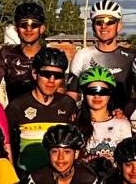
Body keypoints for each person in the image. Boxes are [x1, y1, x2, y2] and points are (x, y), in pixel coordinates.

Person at [5, 47, 80, 176]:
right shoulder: (17, 105)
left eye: (58, 75)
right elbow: (7, 145)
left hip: (58, 179)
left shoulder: (68, 104)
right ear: (35, 74)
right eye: (46, 74)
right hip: (26, 177)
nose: (51, 80)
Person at [68, 0, 135, 108]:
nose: (104, 26)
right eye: (99, 22)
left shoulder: (132, 57)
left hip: (121, 120)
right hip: (89, 120)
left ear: (119, 26)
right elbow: (72, 95)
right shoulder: (82, 55)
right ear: (93, 26)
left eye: (110, 21)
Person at [0, 1, 56, 103]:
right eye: (23, 24)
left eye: (34, 25)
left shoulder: (51, 56)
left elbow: (61, 94)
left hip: (46, 117)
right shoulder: (6, 55)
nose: (28, 29)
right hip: (15, 115)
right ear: (16, 28)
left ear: (42, 28)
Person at [78, 67, 132, 167]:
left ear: (110, 95)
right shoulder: (75, 124)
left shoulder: (122, 124)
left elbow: (128, 161)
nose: (97, 96)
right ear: (84, 94)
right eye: (92, 91)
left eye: (102, 92)